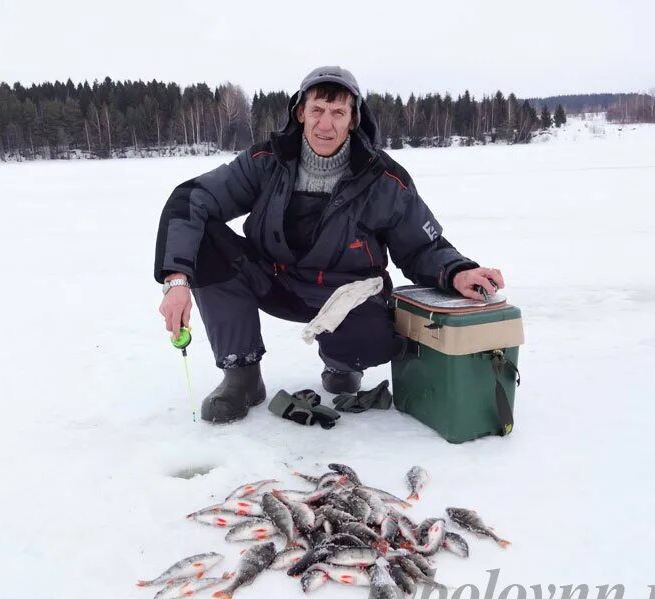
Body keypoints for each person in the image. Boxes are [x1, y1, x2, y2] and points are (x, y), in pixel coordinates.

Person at [155, 65, 504, 423]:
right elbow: (191, 199)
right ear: (300, 112)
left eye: (338, 112)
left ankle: (341, 365)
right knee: (204, 238)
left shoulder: (383, 179)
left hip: (347, 295)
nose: (326, 124)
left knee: (369, 340)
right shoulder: (266, 162)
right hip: (276, 281)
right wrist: (176, 280)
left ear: (353, 119)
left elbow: (421, 246)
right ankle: (241, 374)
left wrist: (456, 270)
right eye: (317, 110)